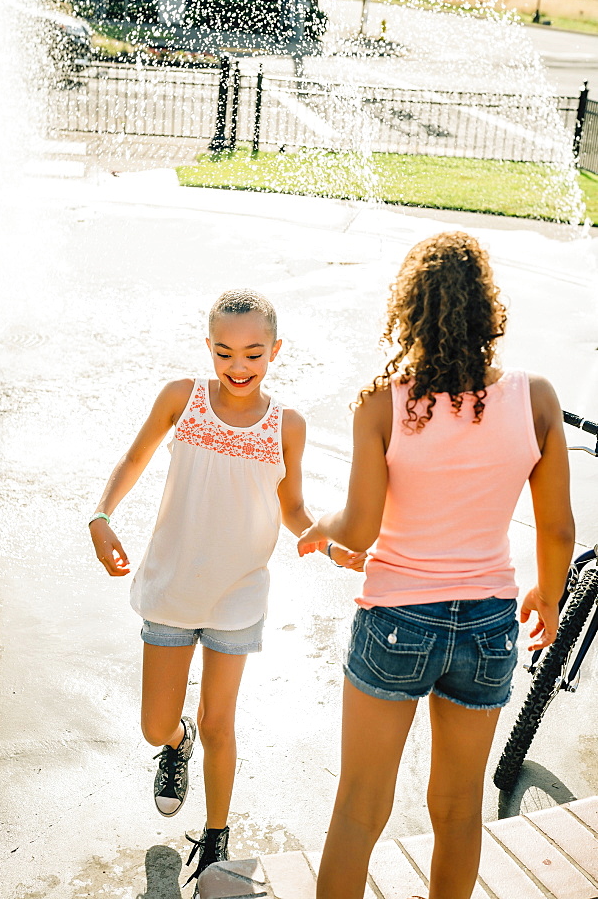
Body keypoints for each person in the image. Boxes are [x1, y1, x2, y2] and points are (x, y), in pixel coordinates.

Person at [298, 232, 575, 899]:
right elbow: (558, 527)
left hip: (397, 619)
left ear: (409, 311)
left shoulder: (382, 403)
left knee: (360, 807)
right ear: (488, 311)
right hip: (487, 626)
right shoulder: (535, 398)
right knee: (456, 809)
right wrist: (549, 593)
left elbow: (359, 530)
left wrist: (319, 532)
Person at [89, 288, 363, 889]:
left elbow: (291, 506)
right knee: (154, 725)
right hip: (171, 587)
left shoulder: (286, 423)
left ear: (276, 351)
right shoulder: (181, 398)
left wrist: (329, 541)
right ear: (208, 347)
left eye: (253, 354)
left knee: (222, 722)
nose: (238, 368)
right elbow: (134, 459)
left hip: (239, 594)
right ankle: (175, 745)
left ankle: (216, 836)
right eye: (224, 352)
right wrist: (101, 515)